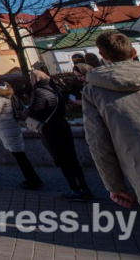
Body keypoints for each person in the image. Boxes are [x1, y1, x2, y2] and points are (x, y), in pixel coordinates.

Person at [84, 30, 140, 210]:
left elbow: (98, 142)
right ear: (134, 52)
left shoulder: (93, 89)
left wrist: (115, 186)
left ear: (101, 55)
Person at [26, 70, 90, 200]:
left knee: (63, 161)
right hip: (63, 126)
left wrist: (23, 112)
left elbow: (34, 111)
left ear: (35, 79)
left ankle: (75, 189)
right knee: (73, 160)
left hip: (51, 130)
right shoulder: (55, 89)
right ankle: (84, 188)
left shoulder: (39, 92)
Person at [0, 74, 41, 189]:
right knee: (20, 155)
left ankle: (32, 180)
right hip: (11, 124)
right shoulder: (5, 89)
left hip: (6, 126)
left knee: (19, 156)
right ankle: (33, 178)